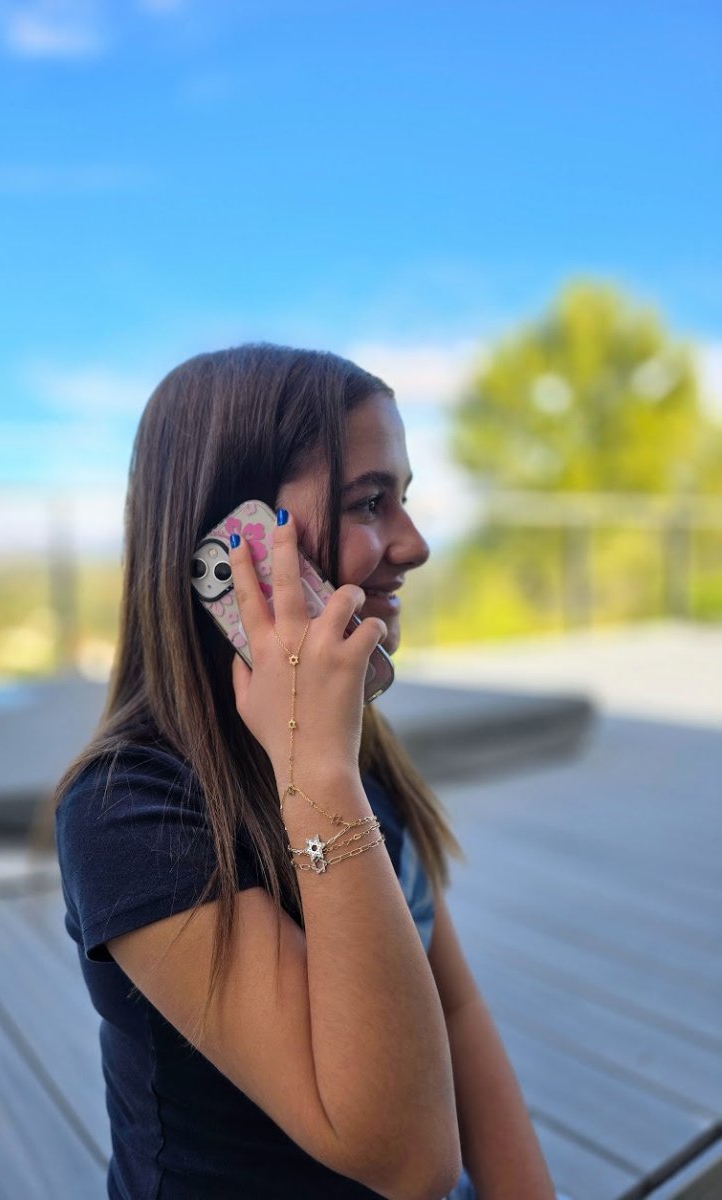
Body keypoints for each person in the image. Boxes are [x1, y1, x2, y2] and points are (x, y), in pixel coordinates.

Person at [53, 345, 558, 1200]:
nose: (415, 543)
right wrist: (316, 772)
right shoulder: (127, 810)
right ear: (234, 541)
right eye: (372, 501)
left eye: (405, 498)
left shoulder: (354, 746)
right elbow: (408, 1159)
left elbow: (457, 1010)